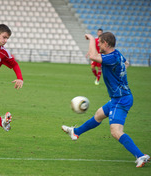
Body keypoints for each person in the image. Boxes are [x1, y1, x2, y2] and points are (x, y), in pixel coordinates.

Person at [62, 32, 150, 168]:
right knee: (98, 114)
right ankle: (76, 132)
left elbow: (92, 56)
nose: (98, 44)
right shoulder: (117, 54)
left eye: (99, 42)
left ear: (106, 44)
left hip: (121, 99)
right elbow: (126, 63)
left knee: (116, 132)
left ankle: (140, 156)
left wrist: (91, 38)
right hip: (118, 97)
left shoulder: (111, 57)